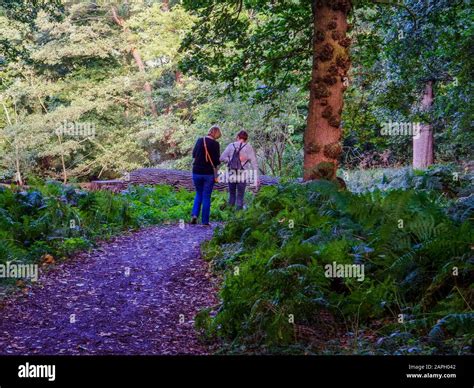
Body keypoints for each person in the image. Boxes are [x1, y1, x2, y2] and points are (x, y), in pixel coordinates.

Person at [220, 130, 259, 210]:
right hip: (243, 174)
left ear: (238, 137)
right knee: (240, 196)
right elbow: (254, 163)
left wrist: (230, 160)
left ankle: (229, 215)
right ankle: (238, 217)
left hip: (232, 172)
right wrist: (257, 177)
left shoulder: (231, 145)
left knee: (232, 195)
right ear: (246, 139)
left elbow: (221, 158)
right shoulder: (248, 147)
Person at [191, 125, 221, 226]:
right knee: (206, 196)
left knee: (199, 193)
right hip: (208, 173)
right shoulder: (216, 145)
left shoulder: (200, 140)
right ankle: (205, 221)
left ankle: (195, 215)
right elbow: (217, 161)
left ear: (209, 131)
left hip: (196, 171)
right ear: (216, 134)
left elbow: (194, 155)